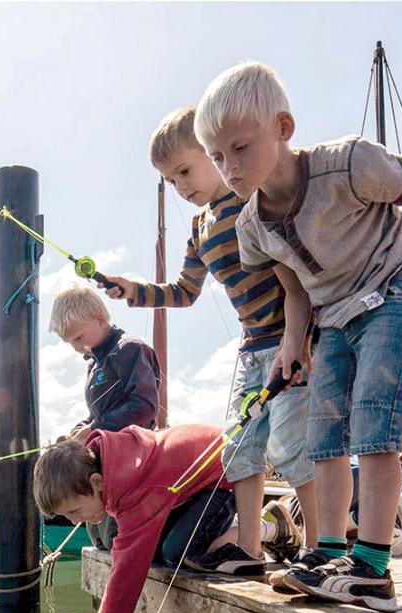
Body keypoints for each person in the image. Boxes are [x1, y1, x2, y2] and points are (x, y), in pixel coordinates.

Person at [197, 60, 402, 613]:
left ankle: (375, 570)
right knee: (323, 432)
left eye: (240, 148)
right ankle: (331, 551)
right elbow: (294, 281)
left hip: (392, 289)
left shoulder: (349, 163)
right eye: (217, 157)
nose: (228, 167)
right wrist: (291, 342)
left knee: (373, 422)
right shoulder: (252, 227)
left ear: (282, 128)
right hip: (332, 311)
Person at [96, 105, 316, 571]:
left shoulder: (251, 203)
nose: (181, 186)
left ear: (212, 153)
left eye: (185, 170)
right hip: (252, 348)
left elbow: (294, 278)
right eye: (171, 180)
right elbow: (184, 291)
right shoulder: (199, 229)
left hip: (288, 341)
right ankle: (251, 548)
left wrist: (298, 341)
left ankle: (320, 549)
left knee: (293, 448)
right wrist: (132, 290)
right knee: (241, 450)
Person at [36, 424, 289, 613]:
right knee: (160, 552)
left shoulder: (133, 486)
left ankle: (267, 526)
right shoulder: (113, 466)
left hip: (222, 479)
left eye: (74, 511)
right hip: (190, 490)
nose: (73, 521)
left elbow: (127, 572)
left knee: (179, 553)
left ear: (96, 482)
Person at [49, 285, 161, 550]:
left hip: (132, 458)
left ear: (100, 319)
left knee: (115, 540)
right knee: (99, 540)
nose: (77, 347)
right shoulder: (94, 365)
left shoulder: (129, 350)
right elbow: (96, 414)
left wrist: (95, 429)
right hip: (104, 460)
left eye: (78, 337)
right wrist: (80, 430)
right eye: (70, 342)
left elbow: (144, 405)